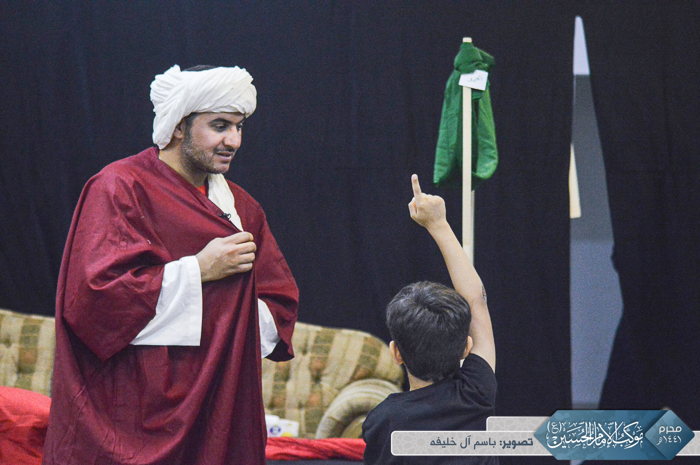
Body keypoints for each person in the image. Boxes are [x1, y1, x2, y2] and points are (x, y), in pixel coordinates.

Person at [43, 65, 299, 465]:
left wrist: (227, 315)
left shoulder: (242, 209)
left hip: (216, 407)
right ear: (179, 126)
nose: (233, 140)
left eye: (239, 127)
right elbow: (93, 302)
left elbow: (278, 301)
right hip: (126, 409)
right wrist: (199, 270)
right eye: (219, 126)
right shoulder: (119, 188)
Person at [362, 175, 497, 465]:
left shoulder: (384, 420)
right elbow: (477, 303)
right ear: (466, 348)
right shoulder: (476, 394)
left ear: (396, 352)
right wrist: (439, 224)